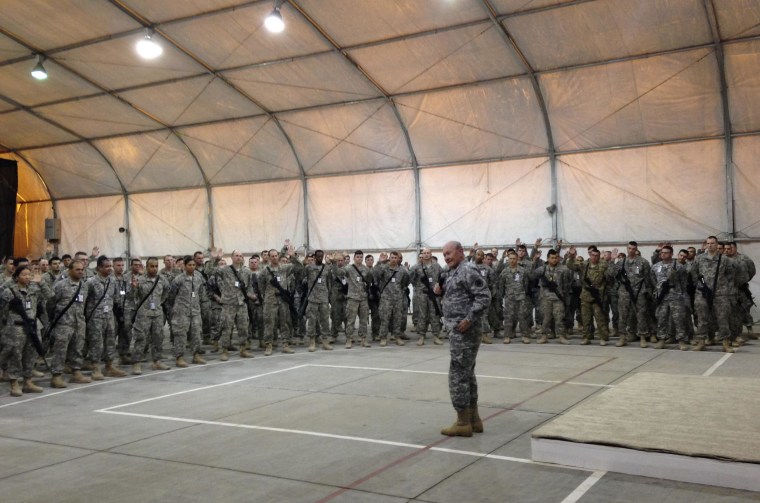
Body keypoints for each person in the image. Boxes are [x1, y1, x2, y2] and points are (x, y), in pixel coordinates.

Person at [434, 241, 491, 437]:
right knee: (467, 374)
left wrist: (469, 318)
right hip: (457, 330)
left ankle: (462, 422)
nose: (446, 257)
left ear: (460, 252)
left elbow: (484, 296)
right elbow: (445, 283)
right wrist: (439, 288)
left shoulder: (467, 270)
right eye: (444, 255)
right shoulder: (453, 271)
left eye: (449, 253)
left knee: (457, 374)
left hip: (464, 331)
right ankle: (474, 420)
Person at [0, 265, 44, 396]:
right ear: (17, 276)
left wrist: (40, 282)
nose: (27, 277)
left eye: (29, 274)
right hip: (16, 328)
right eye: (24, 274)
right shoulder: (9, 291)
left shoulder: (34, 289)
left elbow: (49, 296)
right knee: (16, 354)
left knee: (30, 354)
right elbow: (3, 312)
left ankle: (28, 381)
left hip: (31, 326)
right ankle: (14, 383)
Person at [168, 256, 207, 367]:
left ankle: (196, 355)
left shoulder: (199, 278)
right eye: (189, 265)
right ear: (184, 266)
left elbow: (201, 292)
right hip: (181, 311)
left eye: (193, 265)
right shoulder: (178, 279)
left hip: (195, 311)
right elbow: (171, 296)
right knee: (180, 335)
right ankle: (179, 357)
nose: (192, 267)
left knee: (196, 334)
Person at [409, 247, 444, 346]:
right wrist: (418, 287)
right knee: (422, 315)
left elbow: (442, 277)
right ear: (422, 255)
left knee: (435, 314)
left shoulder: (437, 266)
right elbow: (411, 278)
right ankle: (421, 336)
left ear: (431, 254)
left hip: (434, 295)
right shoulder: (416, 267)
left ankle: (436, 336)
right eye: (424, 253)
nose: (426, 255)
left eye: (428, 253)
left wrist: (439, 287)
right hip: (422, 295)